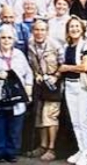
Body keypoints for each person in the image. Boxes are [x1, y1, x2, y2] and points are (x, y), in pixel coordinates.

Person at [0, 23, 34, 163]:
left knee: (14, 127)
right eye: (3, 38)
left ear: (14, 39)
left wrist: (28, 87)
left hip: (16, 97)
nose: (6, 41)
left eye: (9, 38)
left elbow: (28, 73)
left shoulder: (19, 55)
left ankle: (11, 152)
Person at [58, 16, 87, 165]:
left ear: (82, 29)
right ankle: (81, 148)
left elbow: (85, 67)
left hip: (82, 86)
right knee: (75, 121)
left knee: (83, 120)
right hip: (69, 85)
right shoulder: (67, 46)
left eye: (77, 26)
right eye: (71, 27)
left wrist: (66, 68)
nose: (74, 29)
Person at [27, 19, 60, 162]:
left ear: (47, 31)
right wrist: (36, 74)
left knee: (50, 115)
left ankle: (51, 149)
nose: (39, 33)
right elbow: (31, 63)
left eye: (42, 30)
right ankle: (42, 145)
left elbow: (63, 63)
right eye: (36, 30)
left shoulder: (55, 45)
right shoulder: (30, 44)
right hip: (39, 83)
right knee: (39, 116)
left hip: (53, 83)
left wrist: (56, 76)